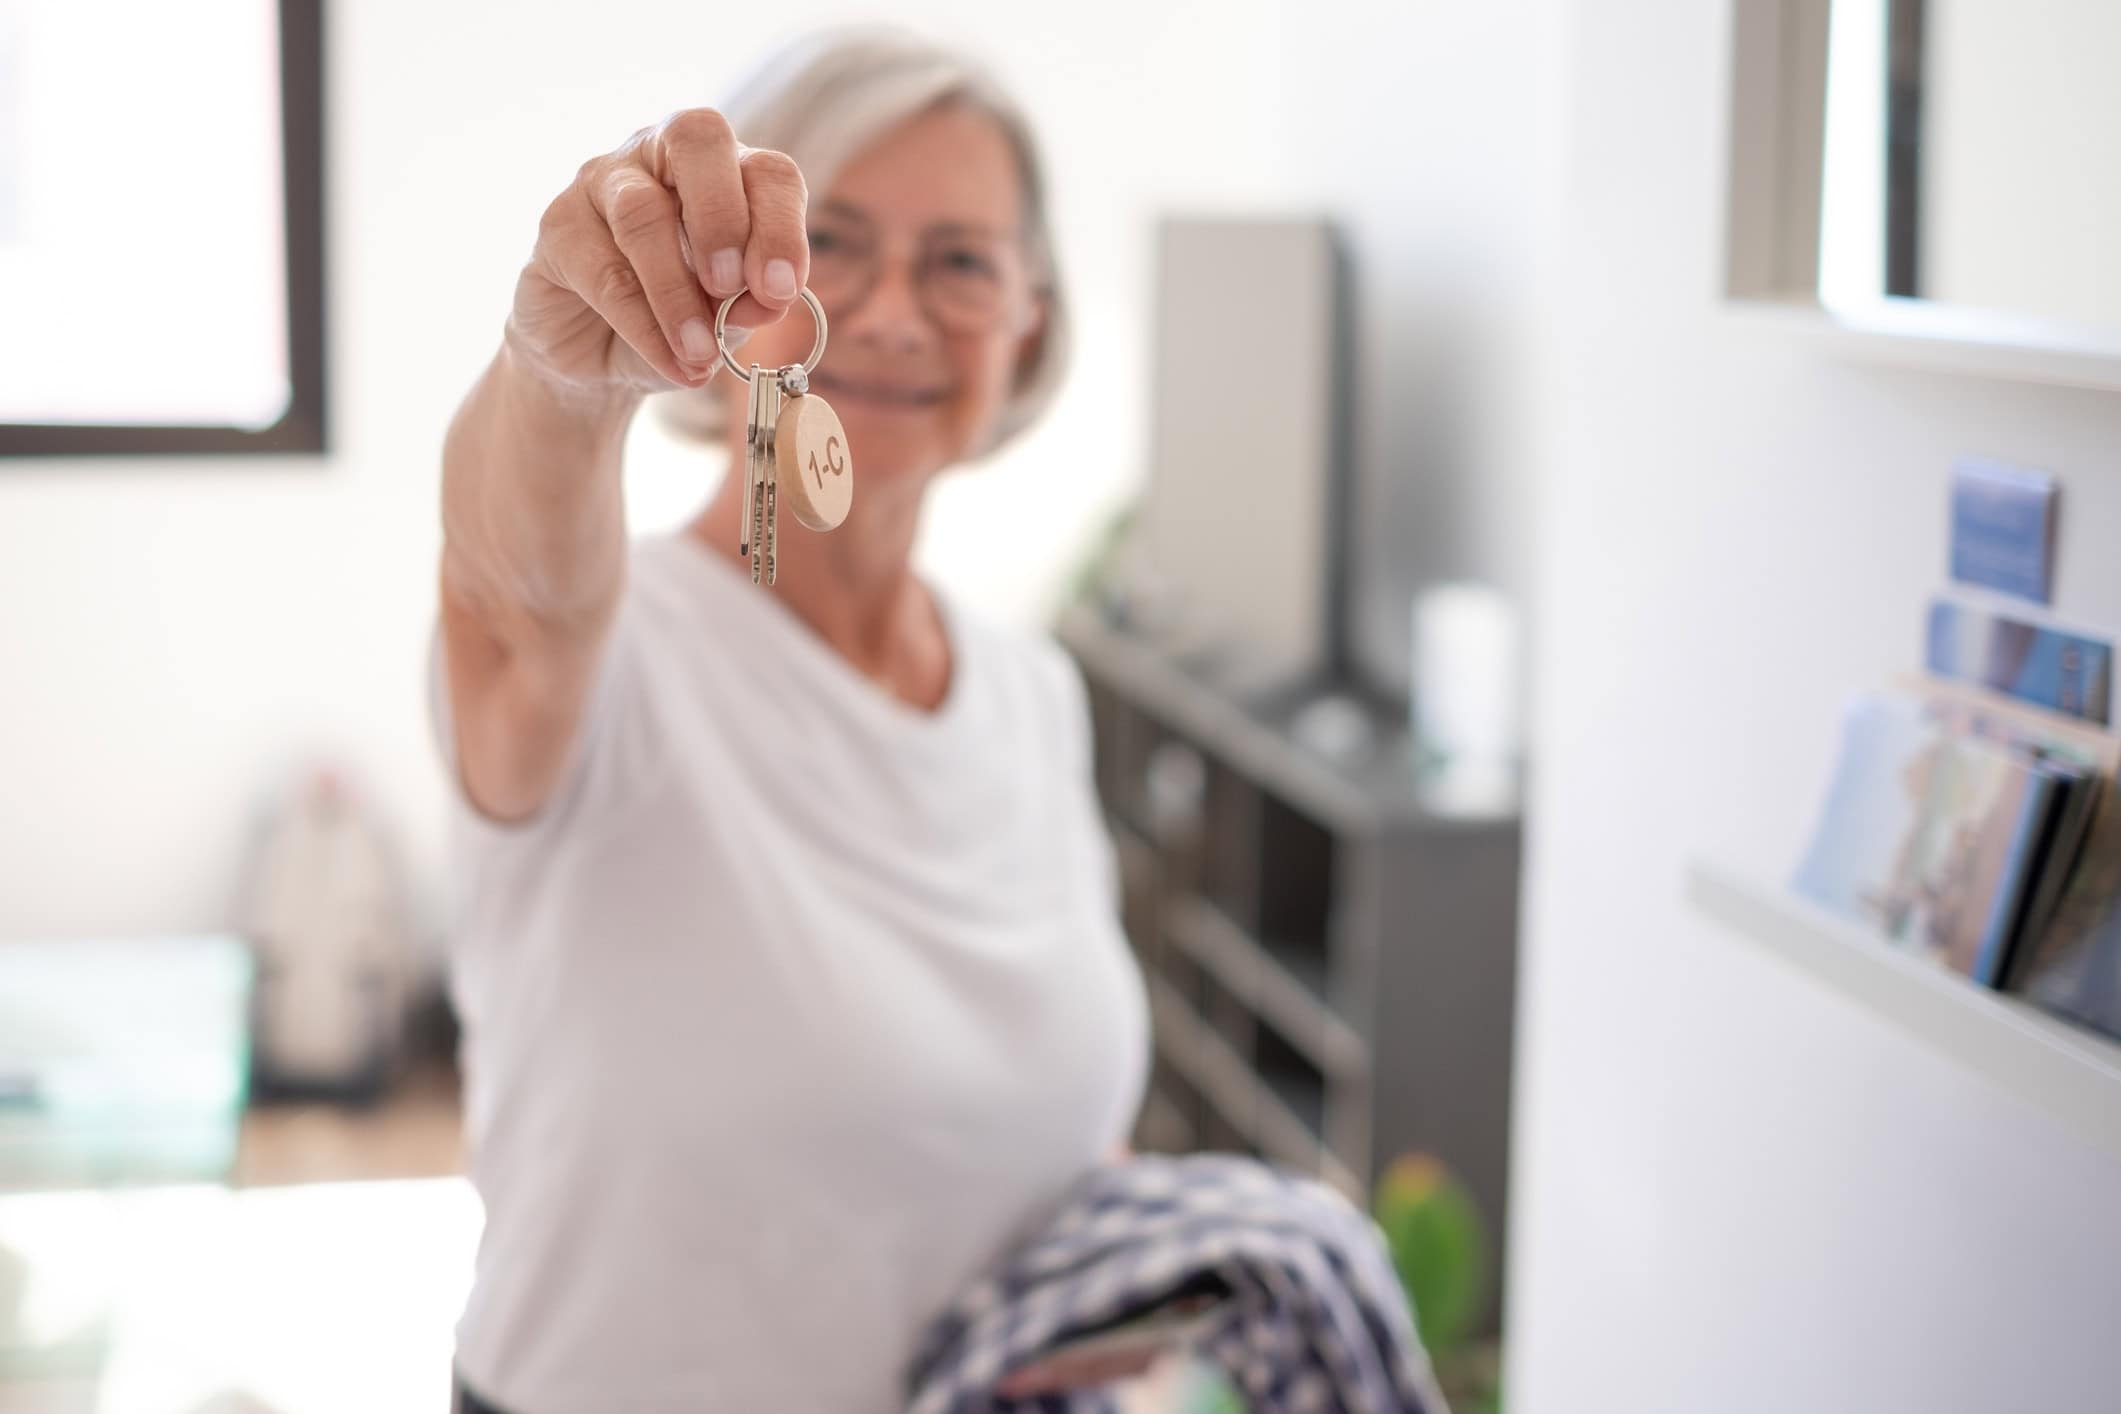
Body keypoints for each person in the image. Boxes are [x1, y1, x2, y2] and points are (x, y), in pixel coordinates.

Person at [429, 28, 1152, 1414]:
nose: (886, 310)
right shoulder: (614, 657)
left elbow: (1045, 1114)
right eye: (831, 244)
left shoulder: (1029, 694)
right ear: (726, 284)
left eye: (959, 261)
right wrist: (559, 376)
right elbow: (508, 591)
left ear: (1031, 321)